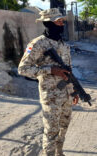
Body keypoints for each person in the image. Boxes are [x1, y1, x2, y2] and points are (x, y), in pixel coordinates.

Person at [18, 8, 78, 156]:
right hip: (50, 95)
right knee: (51, 130)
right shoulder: (38, 43)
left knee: (64, 125)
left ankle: (59, 152)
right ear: (48, 23)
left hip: (66, 94)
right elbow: (23, 69)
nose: (62, 23)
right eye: (58, 21)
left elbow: (68, 71)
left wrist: (73, 91)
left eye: (62, 21)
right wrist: (49, 70)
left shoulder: (63, 44)